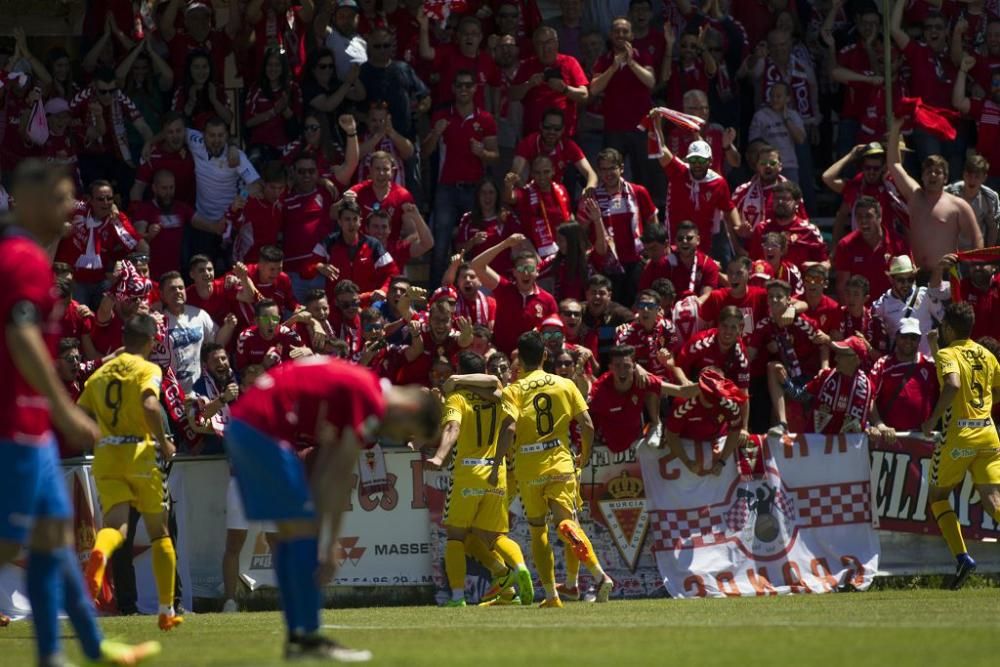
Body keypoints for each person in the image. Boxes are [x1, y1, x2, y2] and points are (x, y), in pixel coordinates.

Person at [0, 160, 160, 665]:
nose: (72, 207)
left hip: (31, 430)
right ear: (26, 201)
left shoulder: (25, 256)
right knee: (10, 546)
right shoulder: (21, 258)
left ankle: (76, 649)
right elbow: (22, 336)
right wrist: (63, 411)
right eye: (62, 196)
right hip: (15, 427)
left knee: (52, 537)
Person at [225, 357, 439, 659]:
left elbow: (327, 464)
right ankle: (309, 637)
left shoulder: (365, 387)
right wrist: (329, 542)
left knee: (291, 533)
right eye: (409, 431)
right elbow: (339, 475)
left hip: (247, 426)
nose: (400, 438)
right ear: (412, 410)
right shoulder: (370, 398)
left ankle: (298, 638)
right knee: (302, 534)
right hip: (263, 430)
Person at [78, 314, 183, 631]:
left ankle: (98, 553)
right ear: (151, 342)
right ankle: (166, 610)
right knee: (159, 531)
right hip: (139, 451)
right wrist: (164, 442)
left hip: (107, 452)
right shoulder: (148, 368)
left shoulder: (100, 373)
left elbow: (79, 412)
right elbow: (151, 405)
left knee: (116, 528)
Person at [503, 331, 613, 606]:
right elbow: (587, 424)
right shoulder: (565, 384)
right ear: (544, 356)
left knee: (538, 529)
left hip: (529, 466)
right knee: (567, 523)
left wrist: (500, 460)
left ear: (519, 359)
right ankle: (598, 575)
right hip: (561, 460)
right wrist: (585, 455)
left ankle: (552, 595)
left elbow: (510, 427)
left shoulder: (513, 390)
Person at [425, 352, 533, 607]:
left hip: (468, 473)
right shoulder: (500, 397)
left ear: (461, 370)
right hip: (497, 473)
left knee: (456, 537)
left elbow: (453, 428)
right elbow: (510, 427)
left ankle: (458, 597)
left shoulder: (458, 397)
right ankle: (517, 568)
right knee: (494, 536)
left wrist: (440, 456)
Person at [920, 302, 1000, 589]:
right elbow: (997, 388)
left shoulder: (948, 354)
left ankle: (963, 557)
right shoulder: (986, 353)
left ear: (950, 328)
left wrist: (932, 421)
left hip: (960, 437)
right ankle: (963, 559)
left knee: (938, 496)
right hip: (989, 433)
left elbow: (952, 383)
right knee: (993, 502)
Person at [887, 117, 981, 271]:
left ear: (946, 178)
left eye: (938, 172)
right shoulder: (914, 195)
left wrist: (975, 267)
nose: (933, 175)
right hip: (917, 276)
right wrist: (896, 128)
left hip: (946, 276)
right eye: (929, 171)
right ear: (922, 176)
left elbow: (976, 237)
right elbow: (894, 164)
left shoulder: (958, 205)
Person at [777, 335, 873, 435]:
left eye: (842, 354)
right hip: (816, 444)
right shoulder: (826, 376)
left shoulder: (867, 387)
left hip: (845, 448)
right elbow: (800, 396)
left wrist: (869, 428)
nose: (836, 358)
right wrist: (785, 382)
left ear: (856, 359)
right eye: (837, 353)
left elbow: (863, 422)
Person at [867, 318, 938, 437]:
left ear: (919, 340)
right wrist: (879, 424)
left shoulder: (929, 366)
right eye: (904, 336)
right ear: (897, 337)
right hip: (891, 438)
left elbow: (948, 385)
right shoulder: (883, 365)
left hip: (921, 438)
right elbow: (869, 396)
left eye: (913, 338)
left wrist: (934, 346)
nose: (908, 341)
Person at [944, 153, 1000, 250]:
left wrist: (986, 254)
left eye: (977, 176)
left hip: (976, 250)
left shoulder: (991, 198)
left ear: (984, 178)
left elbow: (993, 229)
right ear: (963, 174)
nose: (972, 180)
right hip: (951, 249)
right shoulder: (949, 193)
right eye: (969, 174)